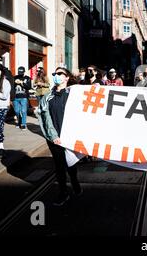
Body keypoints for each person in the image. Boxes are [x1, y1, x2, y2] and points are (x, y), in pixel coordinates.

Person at [36, 67, 82, 206]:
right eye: (55, 74)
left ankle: (74, 180)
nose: (56, 76)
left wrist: (98, 88)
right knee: (59, 166)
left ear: (67, 77)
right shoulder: (47, 97)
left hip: (71, 136)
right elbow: (46, 117)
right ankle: (63, 192)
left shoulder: (74, 94)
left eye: (60, 73)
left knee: (71, 163)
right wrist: (53, 135)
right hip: (54, 137)